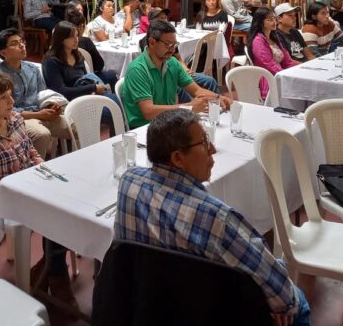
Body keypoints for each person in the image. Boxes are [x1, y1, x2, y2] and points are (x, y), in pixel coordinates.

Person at [114, 109, 310, 326]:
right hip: (209, 313)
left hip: (148, 307)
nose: (213, 149)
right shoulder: (215, 220)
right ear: (178, 158)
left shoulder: (128, 183)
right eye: (204, 142)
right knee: (297, 303)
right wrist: (286, 304)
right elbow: (283, 296)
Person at [0, 72, 77, 310]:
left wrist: (40, 166)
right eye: (4, 98)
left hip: (26, 186)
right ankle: (56, 274)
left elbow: (29, 152)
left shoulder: (15, 119)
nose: (11, 102)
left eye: (11, 96)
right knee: (55, 212)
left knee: (67, 200)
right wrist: (10, 187)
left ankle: (48, 268)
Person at [122, 19, 229, 129]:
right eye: (168, 45)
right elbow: (148, 111)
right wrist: (189, 107)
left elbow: (197, 91)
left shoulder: (172, 63)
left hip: (168, 122)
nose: (172, 50)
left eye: (174, 45)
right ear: (152, 42)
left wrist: (218, 98)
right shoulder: (137, 69)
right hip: (145, 129)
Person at [0, 29, 70, 159]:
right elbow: (6, 112)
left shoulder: (32, 69)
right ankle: (34, 171)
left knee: (77, 125)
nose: (22, 45)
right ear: (3, 52)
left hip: (41, 113)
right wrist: (38, 114)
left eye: (21, 41)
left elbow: (42, 94)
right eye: (15, 43)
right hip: (20, 120)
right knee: (41, 134)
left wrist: (50, 106)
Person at [42, 22, 119, 99]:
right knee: (112, 101)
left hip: (85, 93)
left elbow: (85, 78)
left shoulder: (77, 55)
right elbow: (61, 91)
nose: (76, 40)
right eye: (71, 37)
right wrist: (93, 88)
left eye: (77, 36)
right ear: (61, 39)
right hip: (70, 100)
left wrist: (92, 88)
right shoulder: (51, 61)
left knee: (114, 90)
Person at [248, 7, 297, 99]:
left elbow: (287, 60)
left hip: (279, 74)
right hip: (269, 78)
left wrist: (295, 71)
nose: (274, 22)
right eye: (270, 19)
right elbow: (268, 64)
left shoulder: (274, 37)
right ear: (260, 22)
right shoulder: (258, 41)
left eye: (275, 18)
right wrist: (285, 75)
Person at [65, 10, 117, 87]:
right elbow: (99, 65)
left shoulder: (61, 41)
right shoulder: (85, 41)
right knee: (112, 75)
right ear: (81, 26)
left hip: (70, 80)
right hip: (84, 80)